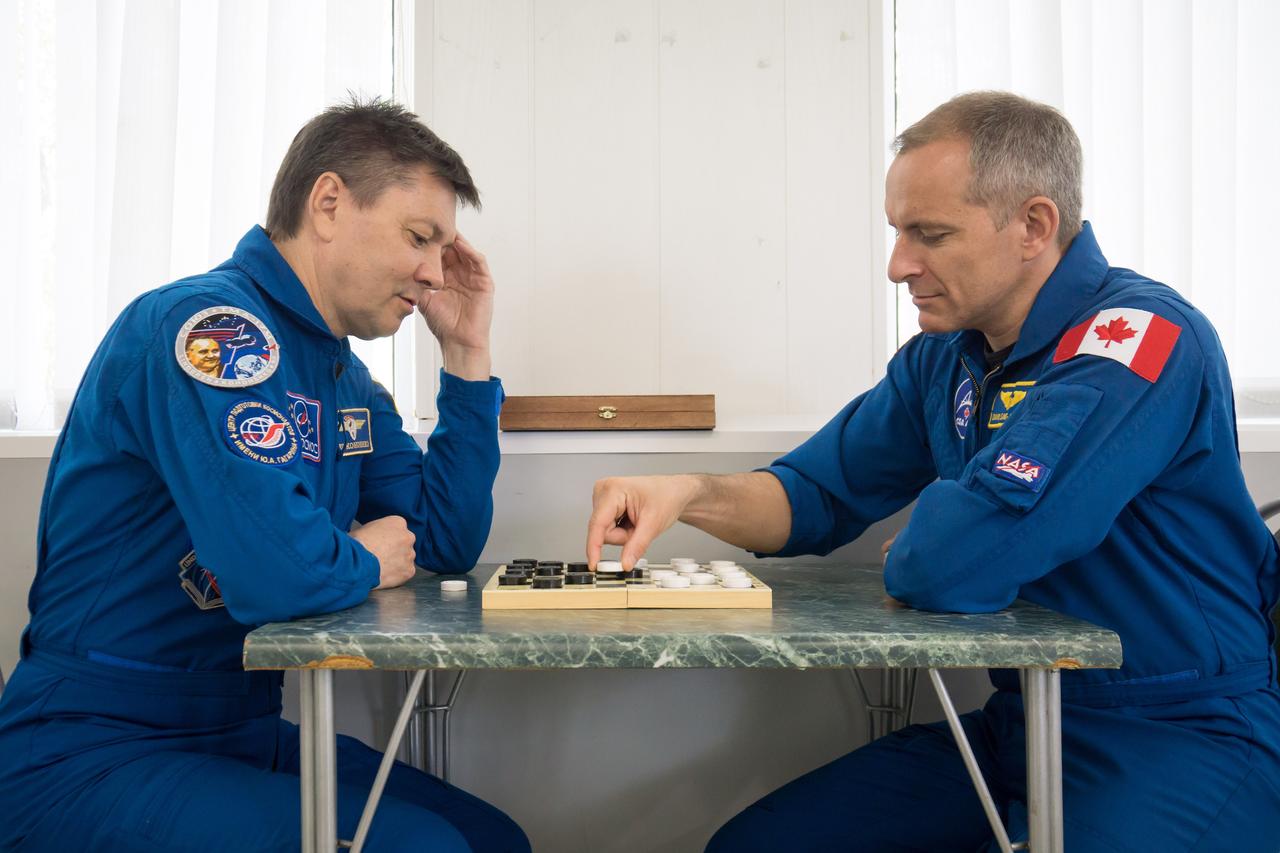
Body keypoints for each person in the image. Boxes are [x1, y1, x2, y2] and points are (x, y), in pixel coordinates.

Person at [587, 92, 1280, 851]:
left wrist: (931, 544)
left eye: (931, 234)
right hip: (1021, 723)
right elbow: (813, 492)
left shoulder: (1136, 340)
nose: (897, 266)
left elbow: (956, 563)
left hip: (1180, 731)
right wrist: (687, 490)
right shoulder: (946, 356)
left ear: (1034, 226)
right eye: (897, 232)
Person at [0, 98, 529, 852]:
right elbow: (275, 572)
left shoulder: (338, 374)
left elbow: (443, 537)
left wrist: (467, 358)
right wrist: (369, 557)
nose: (435, 273)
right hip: (96, 743)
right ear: (328, 203)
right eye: (421, 238)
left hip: (236, 726)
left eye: (443, 251)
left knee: (491, 839)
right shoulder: (209, 331)